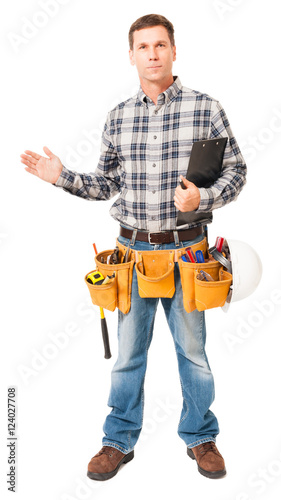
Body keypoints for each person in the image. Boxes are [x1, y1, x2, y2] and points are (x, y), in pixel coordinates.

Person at [20, 14, 247, 480]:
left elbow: (237, 172)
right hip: (132, 253)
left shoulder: (207, 108)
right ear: (132, 55)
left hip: (189, 254)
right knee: (128, 356)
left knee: (194, 353)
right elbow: (107, 184)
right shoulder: (118, 116)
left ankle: (201, 438)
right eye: (143, 47)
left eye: (160, 45)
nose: (152, 54)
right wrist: (60, 176)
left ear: (174, 50)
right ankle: (118, 441)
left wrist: (202, 197)